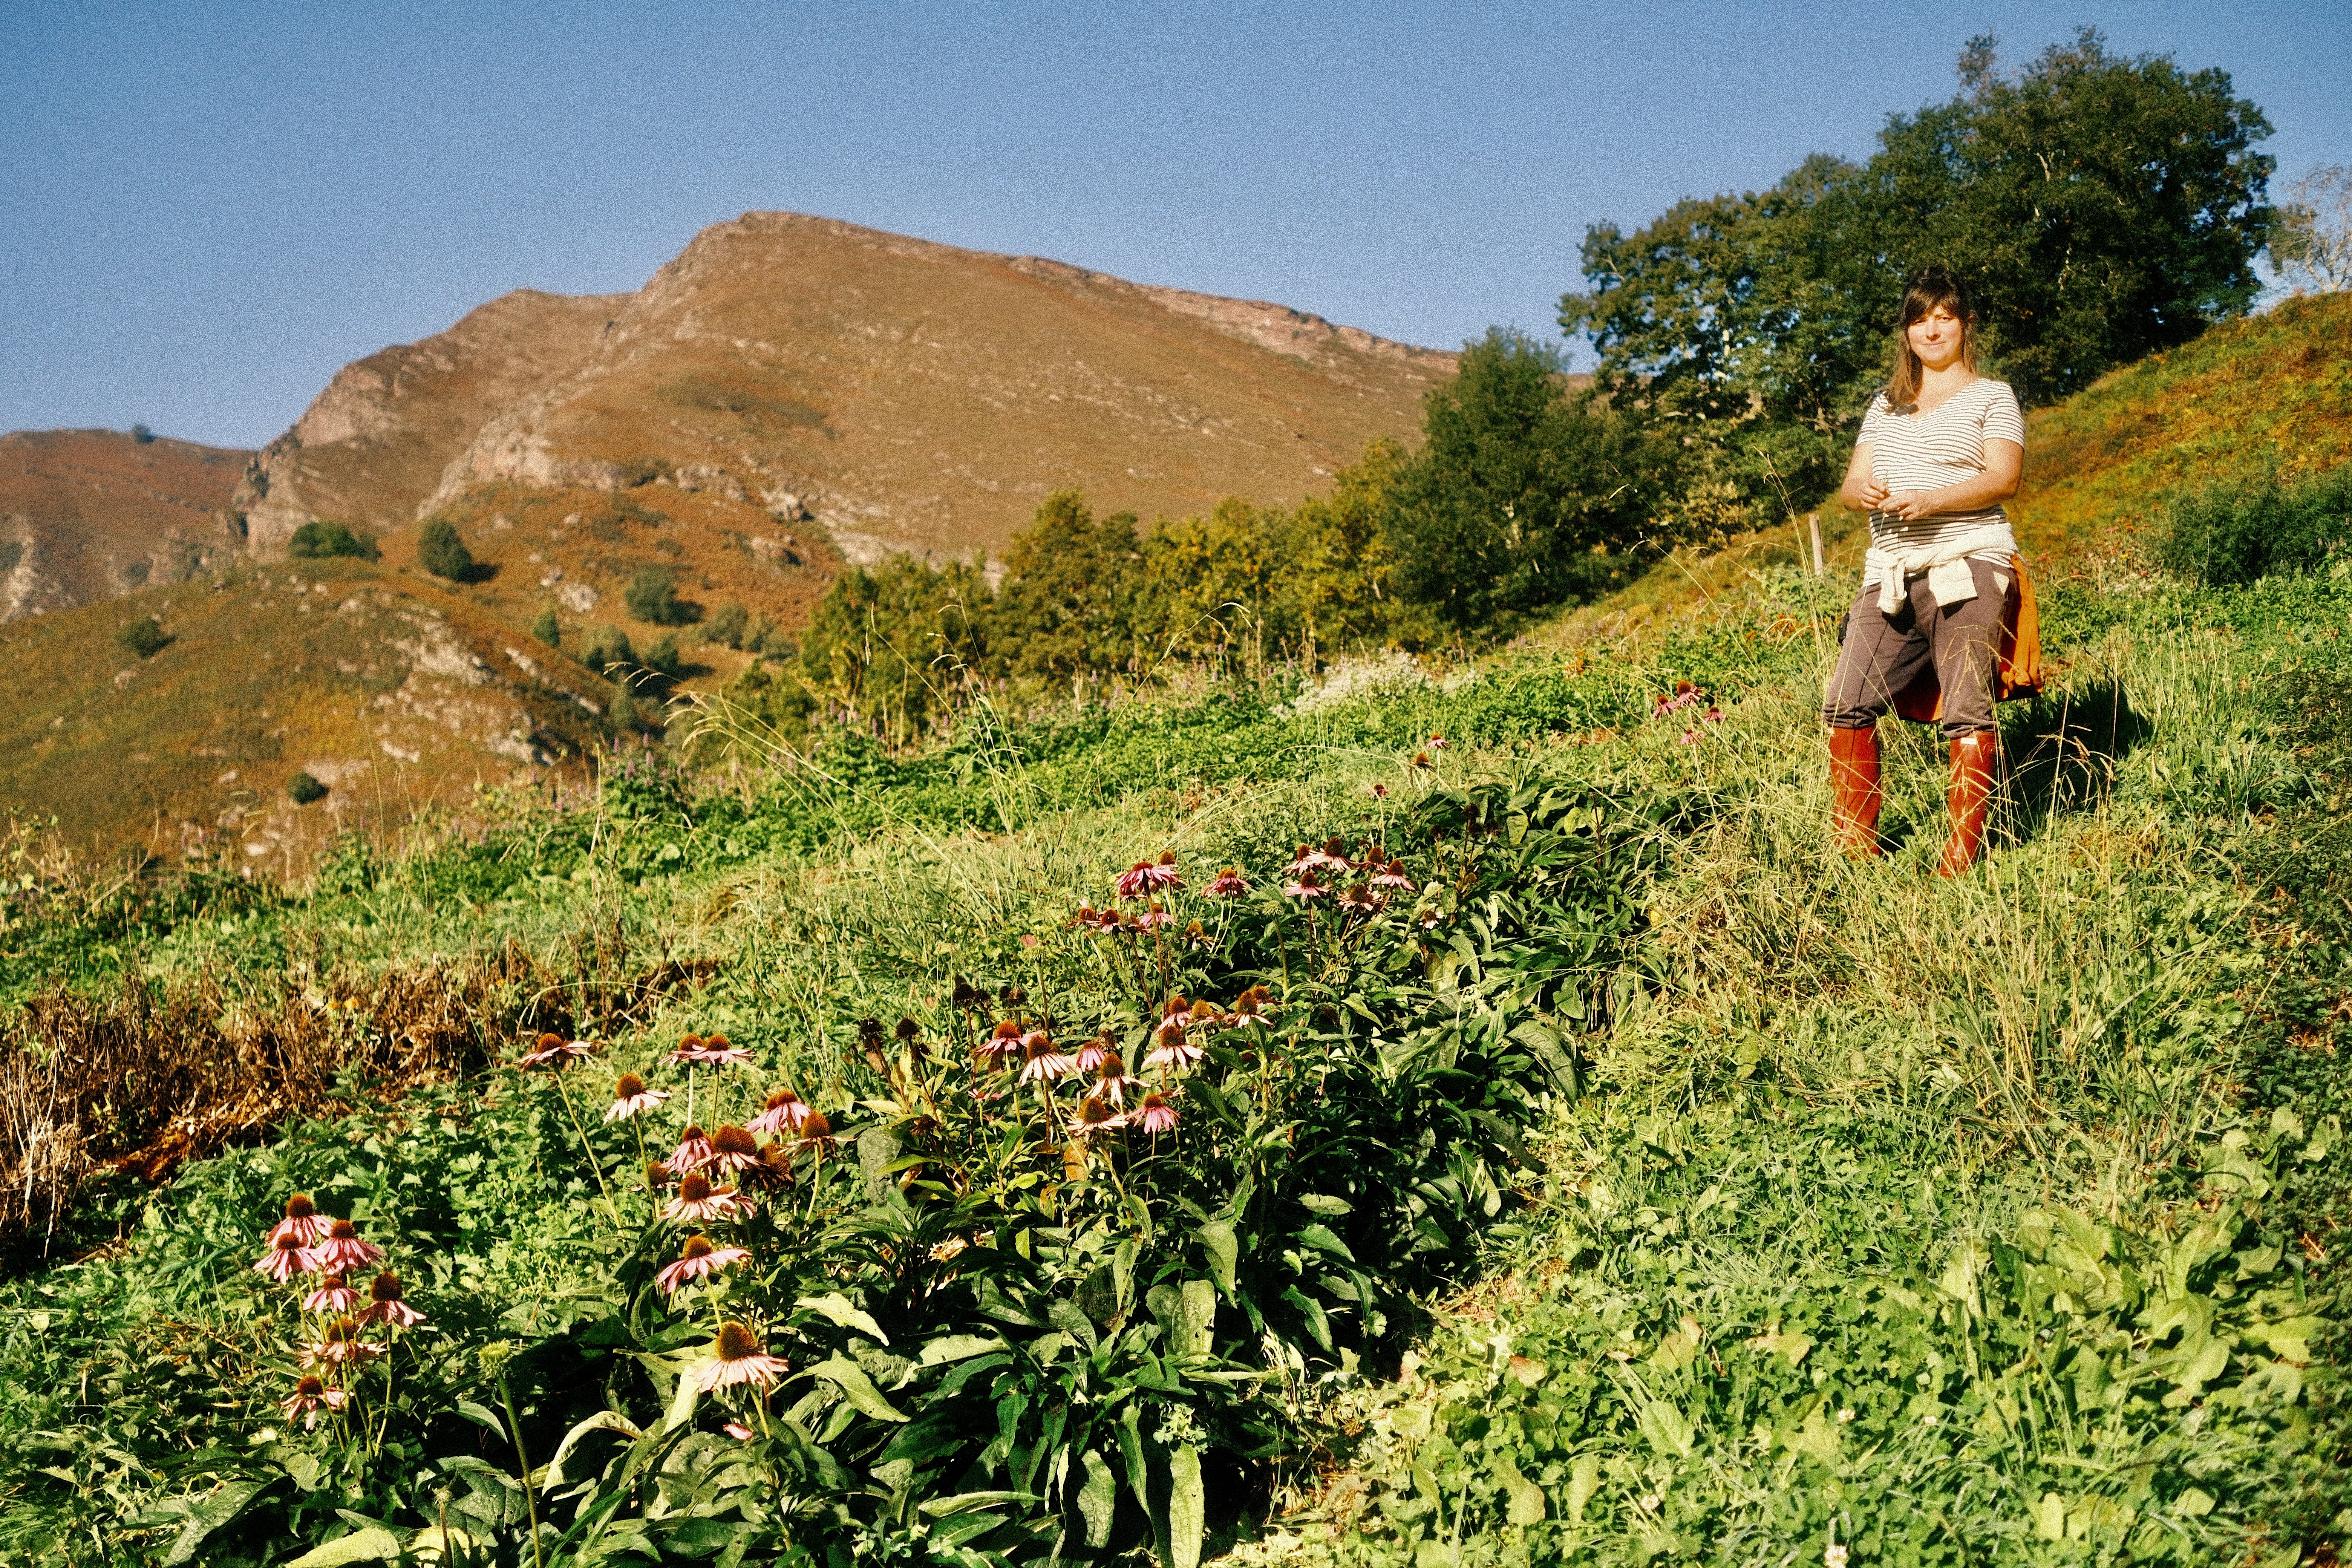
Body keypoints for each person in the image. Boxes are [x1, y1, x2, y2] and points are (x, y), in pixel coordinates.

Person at [1822, 268, 2029, 875]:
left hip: (1968, 563)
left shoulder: (1994, 396)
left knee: (1967, 706)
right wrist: (1864, 490)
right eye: (1920, 318)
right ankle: (1855, 856)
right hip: (1888, 570)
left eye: (1944, 316)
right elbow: (1849, 485)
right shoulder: (1885, 406)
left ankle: (1960, 863)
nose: (1932, 329)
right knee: (1845, 701)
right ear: (1906, 331)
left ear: (1965, 325)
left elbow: (2005, 478)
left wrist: (1934, 500)